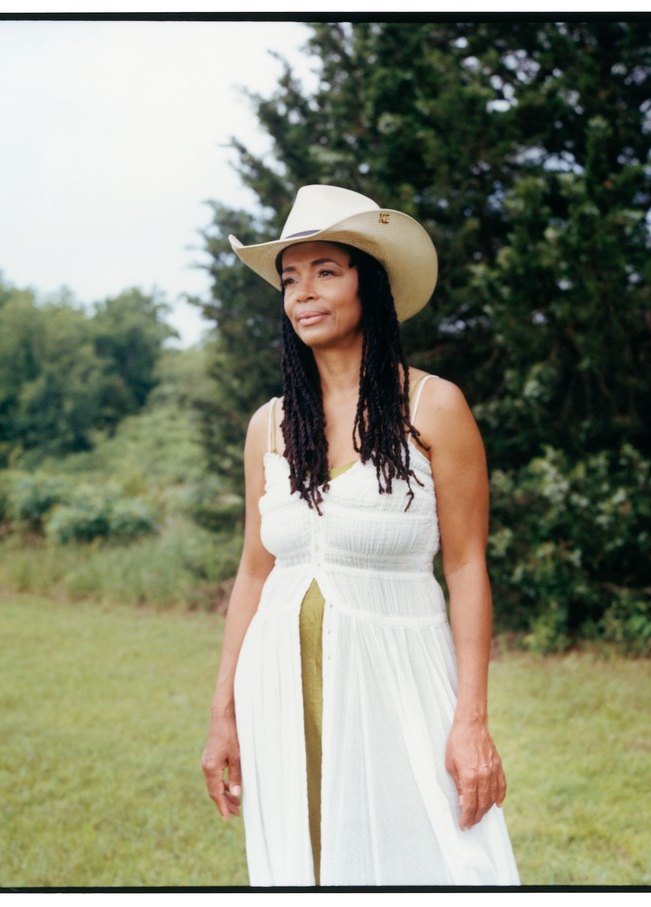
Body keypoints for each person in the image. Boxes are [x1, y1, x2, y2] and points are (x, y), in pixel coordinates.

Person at [201, 185, 519, 887]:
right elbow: (253, 572)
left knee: (440, 860)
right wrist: (223, 712)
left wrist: (471, 720)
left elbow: (467, 568)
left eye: (325, 271)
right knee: (304, 864)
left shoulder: (434, 407)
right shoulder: (272, 425)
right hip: (279, 682)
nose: (302, 293)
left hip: (400, 679)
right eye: (289, 278)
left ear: (367, 285)